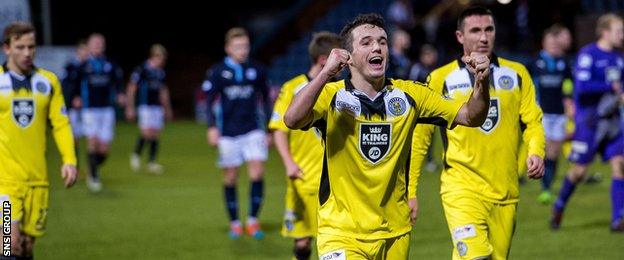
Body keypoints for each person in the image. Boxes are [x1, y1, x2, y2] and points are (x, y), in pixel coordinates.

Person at [284, 13, 491, 259]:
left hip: (395, 232)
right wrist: (325, 73)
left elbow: (470, 116)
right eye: (367, 42)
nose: (377, 47)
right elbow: (292, 119)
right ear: (348, 57)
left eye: (382, 42)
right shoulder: (331, 95)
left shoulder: (411, 94)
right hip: (340, 232)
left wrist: (481, 82)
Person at [410, 7, 545, 259]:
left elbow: (533, 122)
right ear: (460, 36)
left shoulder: (517, 74)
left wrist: (536, 152)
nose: (483, 38)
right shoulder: (441, 79)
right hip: (461, 188)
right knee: (476, 256)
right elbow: (420, 139)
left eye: (488, 29)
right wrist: (410, 191)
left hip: (505, 192)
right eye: (475, 30)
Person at [0, 21, 77, 259]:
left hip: (37, 180)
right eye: (20, 46)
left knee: (26, 247)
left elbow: (61, 124)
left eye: (31, 47)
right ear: (7, 48)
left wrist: (69, 160)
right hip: (5, 181)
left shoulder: (48, 82)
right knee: (7, 243)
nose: (26, 53)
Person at [270, 31, 340, 260]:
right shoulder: (293, 88)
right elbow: (279, 129)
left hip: (335, 181)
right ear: (323, 60)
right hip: (302, 177)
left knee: (333, 242)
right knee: (302, 243)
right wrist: (289, 163)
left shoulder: (340, 90)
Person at [551, 13, 624, 232]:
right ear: (605, 32)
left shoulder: (619, 58)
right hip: (589, 123)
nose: (622, 35)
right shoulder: (588, 55)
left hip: (611, 122)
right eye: (618, 31)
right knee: (579, 172)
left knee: (620, 165)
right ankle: (559, 204)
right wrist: (610, 88)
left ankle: (618, 219)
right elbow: (582, 88)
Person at [202, 27, 272, 239]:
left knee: (257, 173)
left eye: (245, 46)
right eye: (238, 46)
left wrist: (269, 129)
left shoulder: (257, 70)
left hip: (253, 130)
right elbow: (208, 101)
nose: (242, 50)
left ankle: (252, 220)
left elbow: (267, 100)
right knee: (230, 178)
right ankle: (234, 222)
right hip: (228, 133)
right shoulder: (217, 71)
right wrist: (212, 127)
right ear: (228, 48)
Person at [528, 24, 574, 204]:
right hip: (542, 112)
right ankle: (545, 189)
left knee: (554, 152)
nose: (554, 46)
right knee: (545, 150)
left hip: (559, 112)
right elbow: (529, 85)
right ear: (544, 43)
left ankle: (548, 185)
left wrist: (569, 99)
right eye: (550, 43)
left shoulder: (564, 62)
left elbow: (569, 82)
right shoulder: (536, 62)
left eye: (556, 43)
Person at [73, 33, 125, 192]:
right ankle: (94, 176)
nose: (97, 45)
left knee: (104, 148)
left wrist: (120, 94)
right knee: (92, 140)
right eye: (94, 43)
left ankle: (92, 167)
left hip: (107, 109)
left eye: (100, 43)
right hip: (90, 109)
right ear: (89, 46)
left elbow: (118, 82)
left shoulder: (110, 64)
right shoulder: (83, 65)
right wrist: (76, 97)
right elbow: (75, 83)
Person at [126, 44, 173, 174]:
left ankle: (152, 162)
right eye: (160, 58)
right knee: (146, 133)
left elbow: (163, 91)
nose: (162, 61)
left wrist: (167, 108)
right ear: (154, 56)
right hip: (144, 105)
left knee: (155, 134)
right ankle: (135, 154)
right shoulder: (142, 70)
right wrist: (130, 107)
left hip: (156, 107)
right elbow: (132, 88)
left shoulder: (160, 72)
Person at [61, 39, 89, 169]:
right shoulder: (71, 67)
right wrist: (73, 99)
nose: (85, 54)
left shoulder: (89, 67)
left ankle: (89, 168)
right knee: (74, 138)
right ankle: (73, 166)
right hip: (73, 108)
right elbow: (66, 87)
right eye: (83, 51)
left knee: (87, 138)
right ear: (78, 52)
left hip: (88, 107)